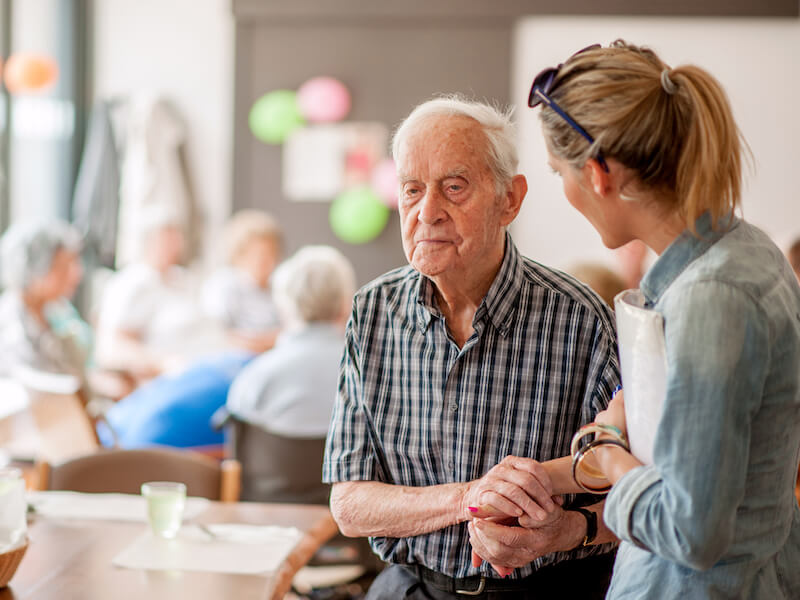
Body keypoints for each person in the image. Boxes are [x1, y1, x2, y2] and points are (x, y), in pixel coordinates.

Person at [513, 40, 800, 598]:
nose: (566, 190)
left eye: (558, 174)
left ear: (599, 173)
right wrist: (619, 420)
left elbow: (688, 529)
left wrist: (612, 461)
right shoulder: (746, 250)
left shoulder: (711, 298)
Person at [323, 97, 621, 599]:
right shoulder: (373, 312)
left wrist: (562, 531)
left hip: (550, 588)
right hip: (412, 587)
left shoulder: (581, 318)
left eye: (454, 187)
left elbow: (634, 495)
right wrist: (472, 499)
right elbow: (350, 503)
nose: (427, 212)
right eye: (412, 190)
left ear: (510, 199)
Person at [227, 245, 354, 438]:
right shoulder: (368, 374)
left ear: (284, 306)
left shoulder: (253, 379)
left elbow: (238, 455)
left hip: (267, 468)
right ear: (346, 305)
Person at [95, 208, 227, 378]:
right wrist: (164, 364)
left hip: (212, 367)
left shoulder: (183, 279)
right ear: (149, 242)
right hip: (173, 378)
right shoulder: (133, 283)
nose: (175, 245)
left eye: (177, 237)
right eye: (167, 239)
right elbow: (113, 348)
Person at [201, 210, 284, 354]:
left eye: (273, 254)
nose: (269, 261)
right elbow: (217, 337)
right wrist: (269, 341)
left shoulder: (279, 286)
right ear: (240, 254)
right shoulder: (223, 285)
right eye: (261, 255)